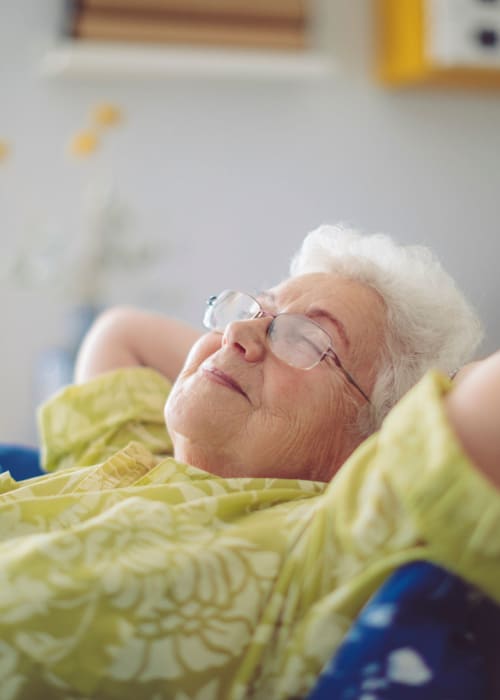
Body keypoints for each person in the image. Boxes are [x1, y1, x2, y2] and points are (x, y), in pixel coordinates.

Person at [1, 225, 499, 700]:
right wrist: (253, 342)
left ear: (374, 445)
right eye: (254, 309)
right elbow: (121, 331)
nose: (237, 329)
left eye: (307, 339)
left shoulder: (319, 543)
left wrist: (412, 406)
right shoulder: (140, 455)